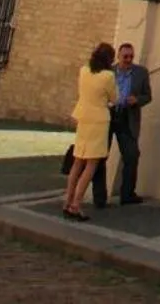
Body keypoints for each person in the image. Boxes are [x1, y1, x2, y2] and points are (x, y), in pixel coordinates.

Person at [64, 42, 118, 221]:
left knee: (78, 161)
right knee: (91, 164)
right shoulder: (108, 76)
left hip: (83, 117)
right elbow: (114, 98)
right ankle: (76, 204)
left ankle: (67, 201)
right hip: (98, 120)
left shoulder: (84, 70)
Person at [110, 41, 152, 204]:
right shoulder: (109, 72)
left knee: (132, 155)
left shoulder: (141, 73)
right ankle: (99, 195)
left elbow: (148, 96)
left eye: (131, 56)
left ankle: (127, 194)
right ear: (118, 56)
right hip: (110, 115)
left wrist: (137, 100)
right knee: (100, 155)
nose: (128, 59)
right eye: (125, 56)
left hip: (128, 117)